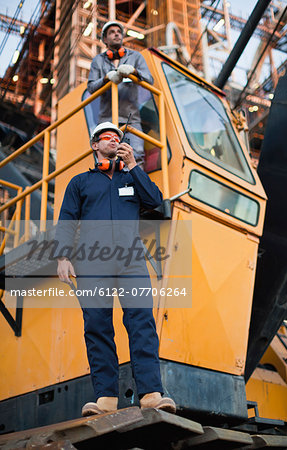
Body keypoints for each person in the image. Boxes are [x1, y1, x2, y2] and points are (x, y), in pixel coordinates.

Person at [56, 121, 176, 417]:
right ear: (94, 145)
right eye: (105, 137)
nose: (112, 140)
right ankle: (106, 399)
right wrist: (63, 256)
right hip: (92, 261)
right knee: (97, 326)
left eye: (116, 137)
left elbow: (155, 202)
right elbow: (67, 220)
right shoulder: (80, 183)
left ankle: (151, 394)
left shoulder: (132, 178)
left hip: (130, 260)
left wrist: (135, 166)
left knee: (141, 322)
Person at [87, 21, 154, 168]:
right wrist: (106, 78)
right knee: (104, 160)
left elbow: (150, 80)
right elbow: (91, 87)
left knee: (136, 156)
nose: (116, 33)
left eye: (118, 31)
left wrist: (134, 72)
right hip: (107, 119)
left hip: (131, 119)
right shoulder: (98, 61)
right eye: (111, 32)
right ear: (104, 39)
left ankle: (137, 189)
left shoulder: (135, 57)